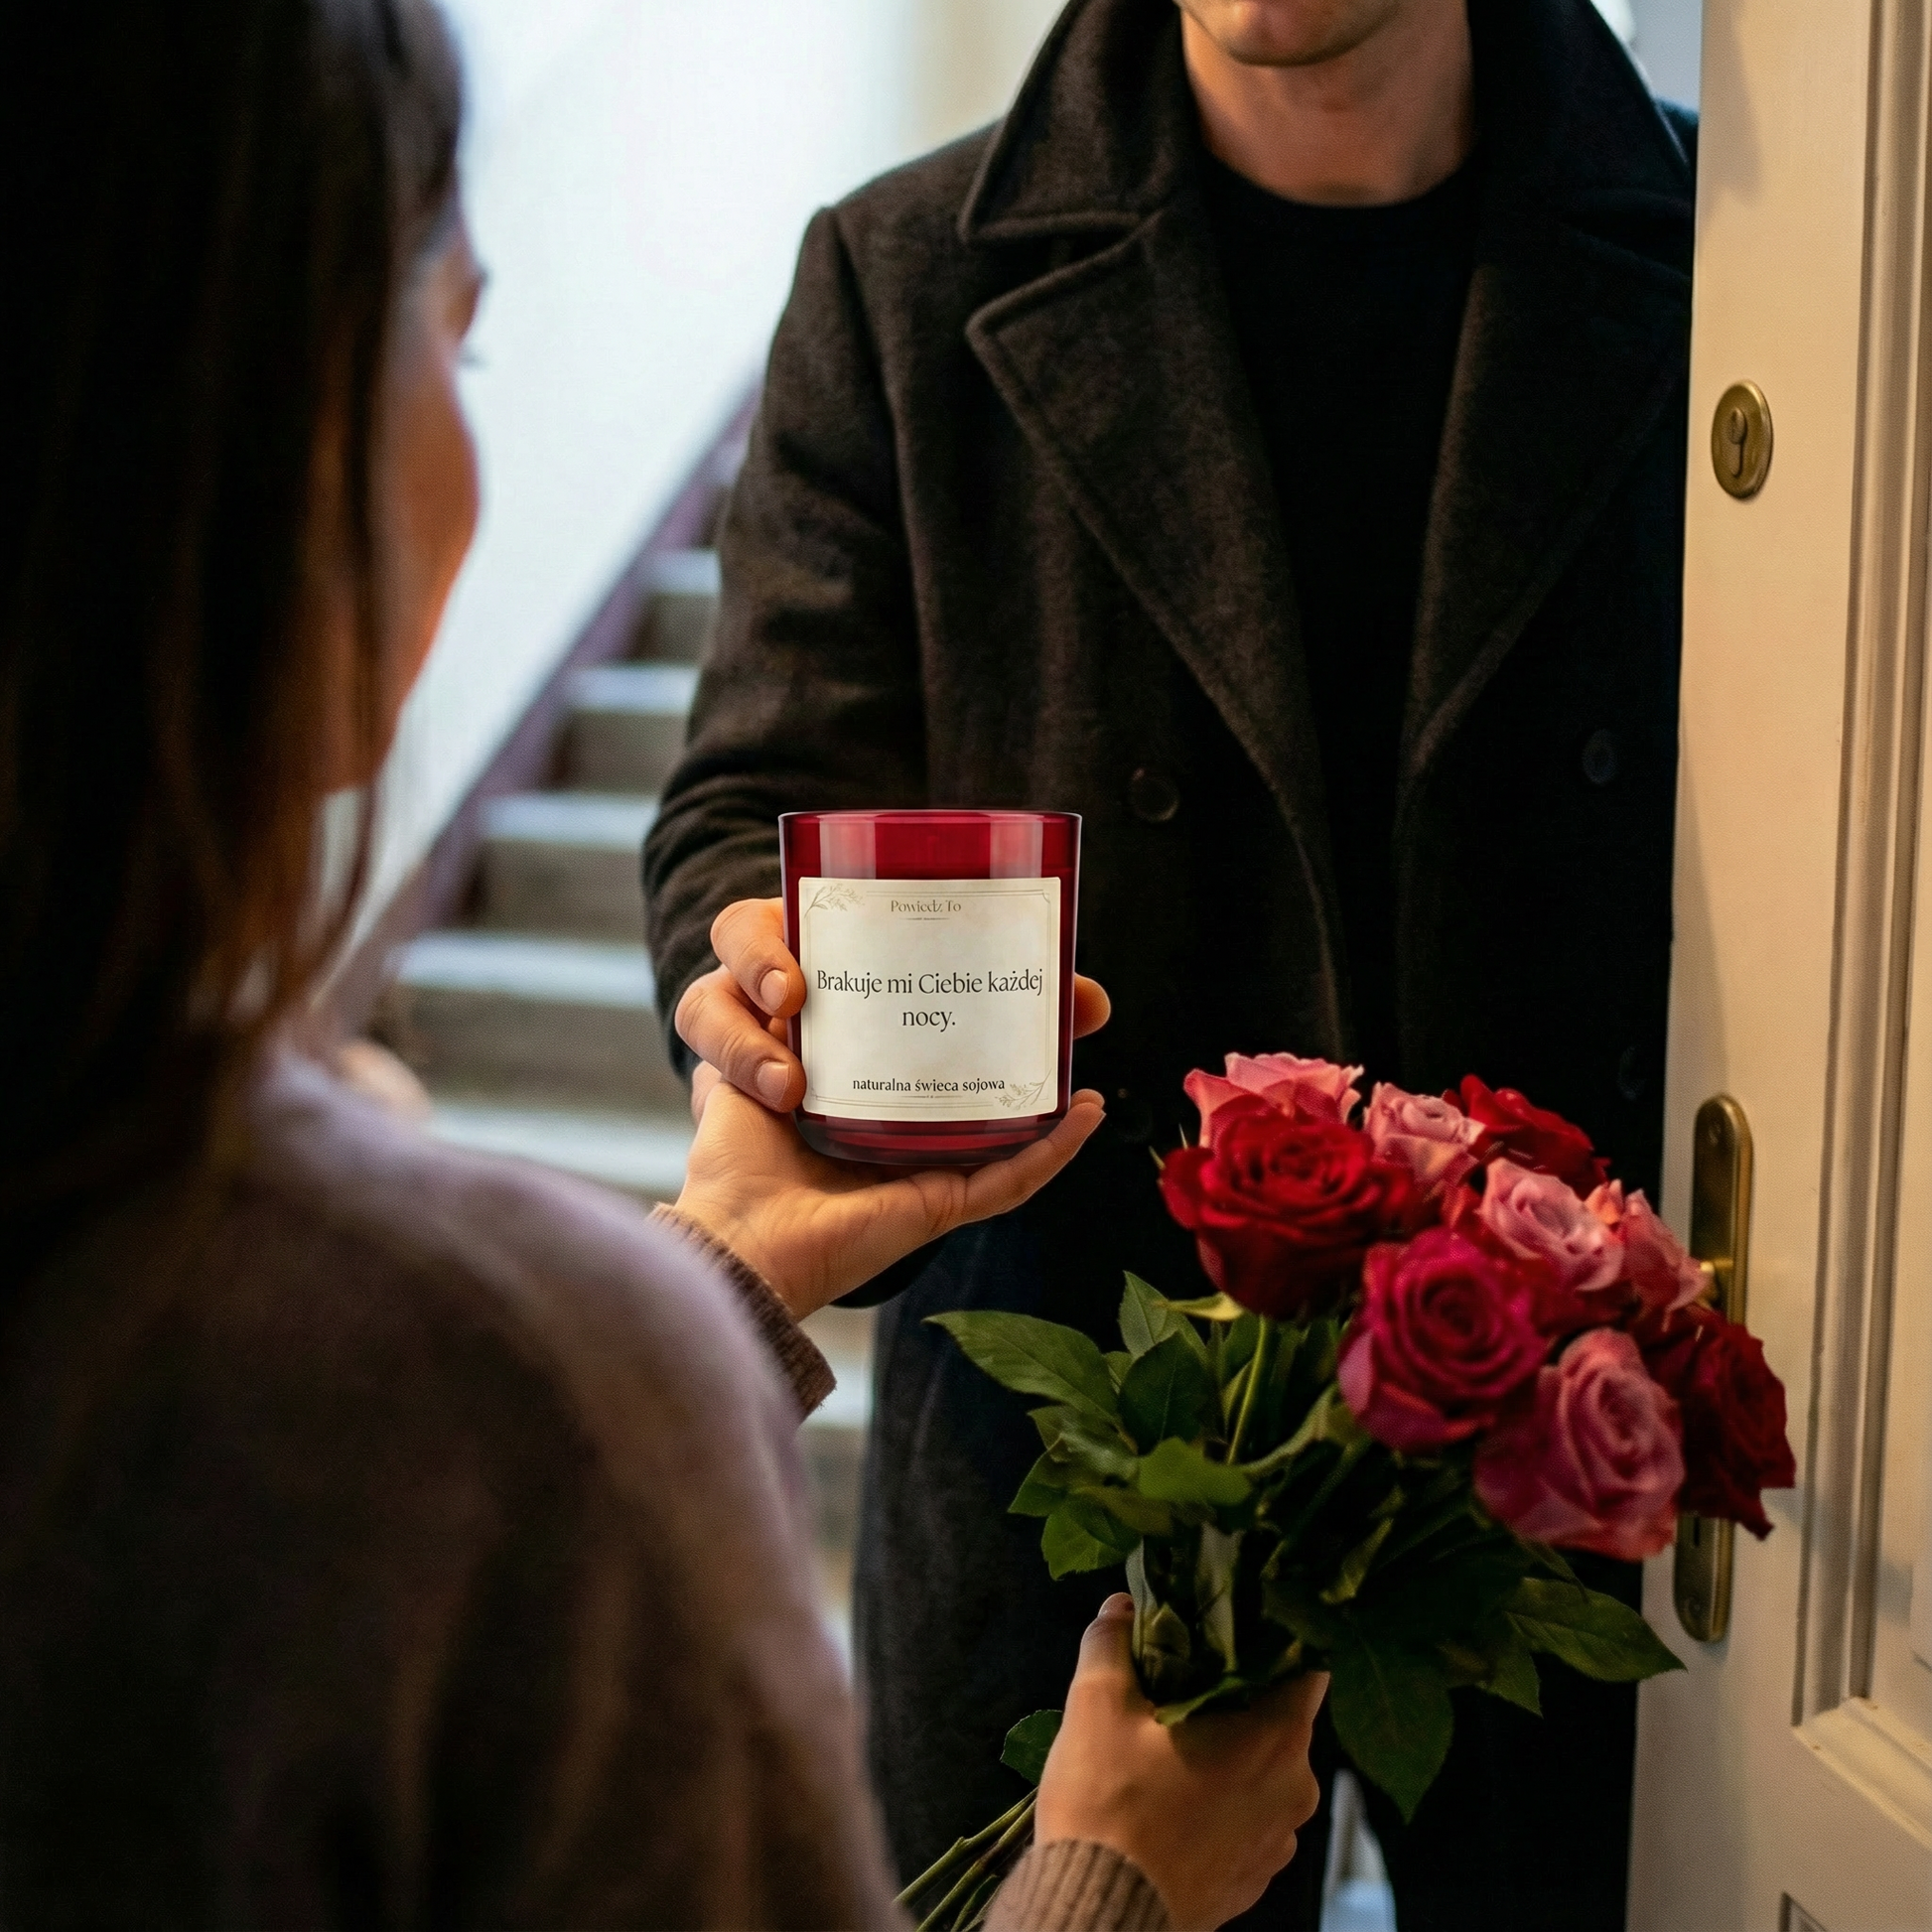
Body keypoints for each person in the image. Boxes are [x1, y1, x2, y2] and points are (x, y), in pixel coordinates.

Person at [0, 2, 1329, 1925]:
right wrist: (1107, 1881)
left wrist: (711, 1274)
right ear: (284, 447)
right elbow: (745, 794)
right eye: (456, 335)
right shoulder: (496, 1375)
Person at [643, 0, 1696, 1926]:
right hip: (1072, 1463)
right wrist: (755, 977)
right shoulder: (901, 273)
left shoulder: (1746, 260)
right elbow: (752, 799)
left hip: (1584, 1455)